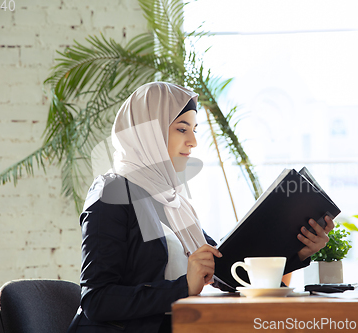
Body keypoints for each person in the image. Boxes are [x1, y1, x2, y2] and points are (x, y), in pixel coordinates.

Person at [67, 82, 334, 333]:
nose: (193, 142)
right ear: (149, 132)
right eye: (182, 129)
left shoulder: (174, 201)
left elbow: (227, 270)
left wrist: (297, 251)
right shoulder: (113, 193)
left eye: (194, 130)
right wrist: (184, 286)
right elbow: (97, 300)